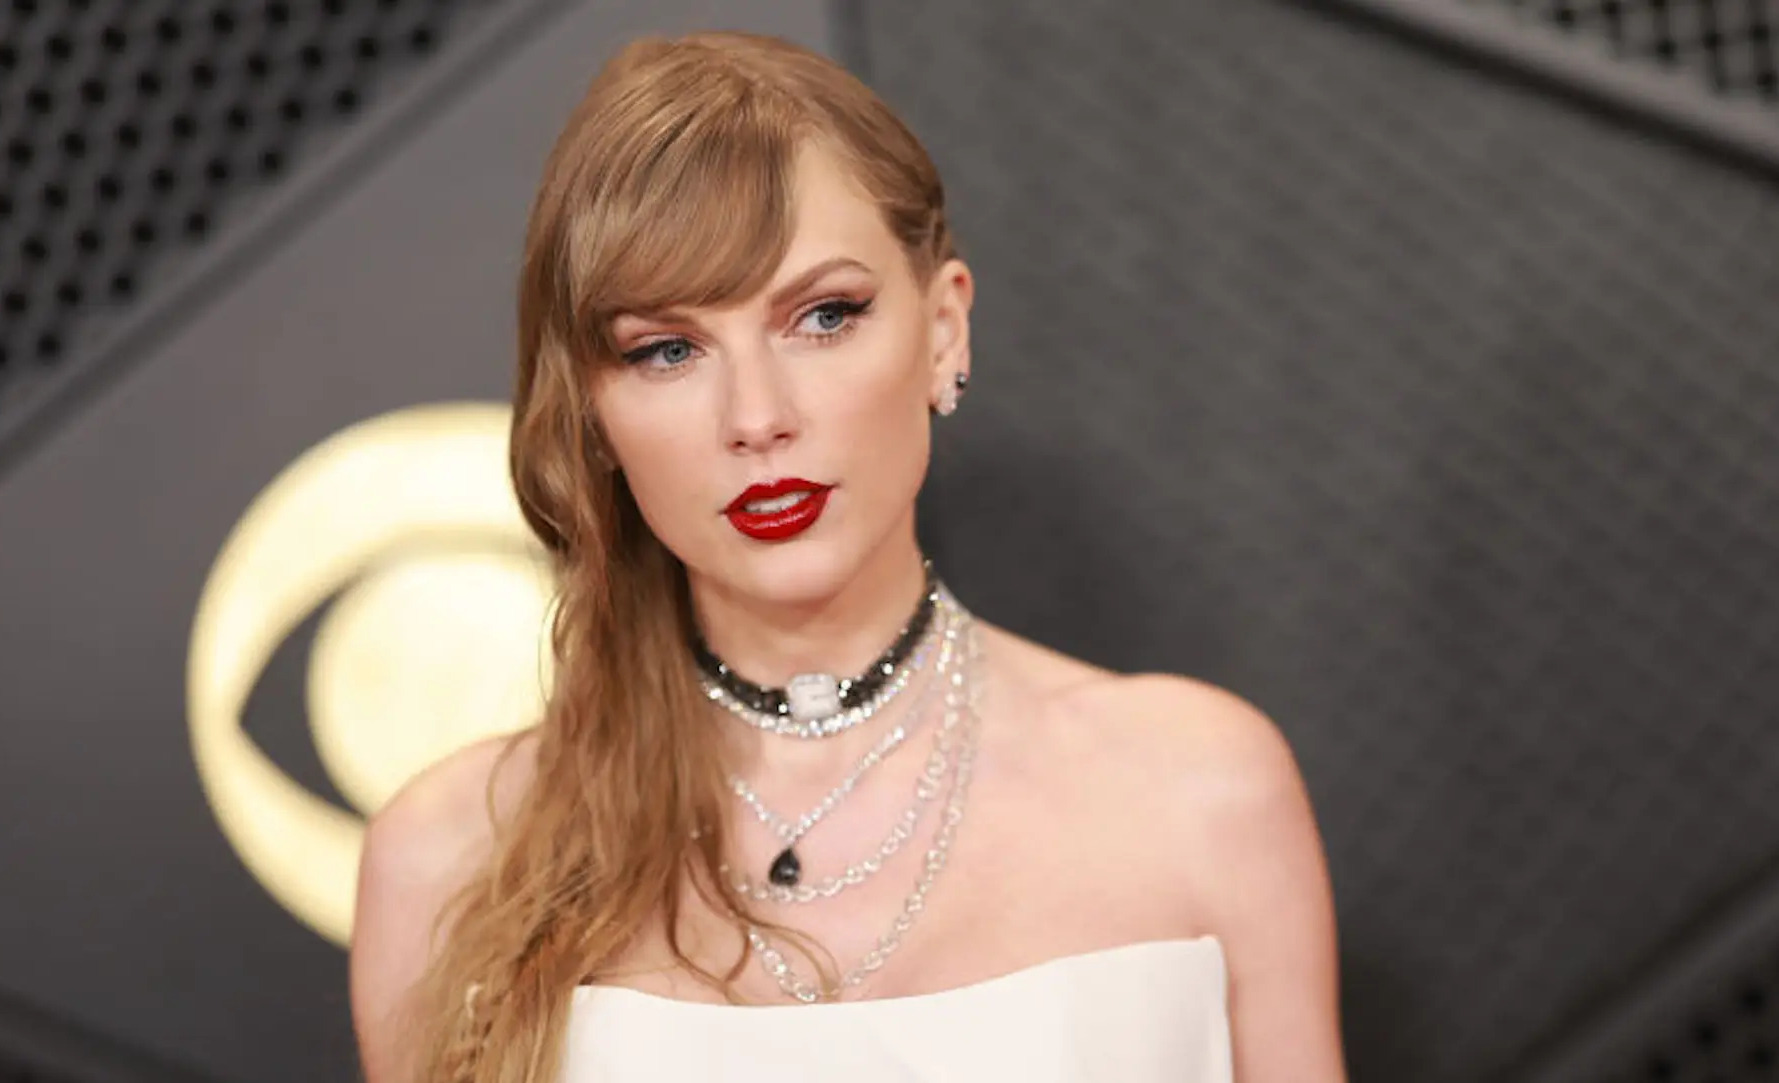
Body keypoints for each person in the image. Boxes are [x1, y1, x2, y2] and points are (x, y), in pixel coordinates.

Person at [347, 28, 1346, 1083]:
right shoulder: (451, 859)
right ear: (594, 412)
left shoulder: (1197, 792)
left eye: (823, 316)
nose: (757, 415)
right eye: (668, 350)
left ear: (944, 329)